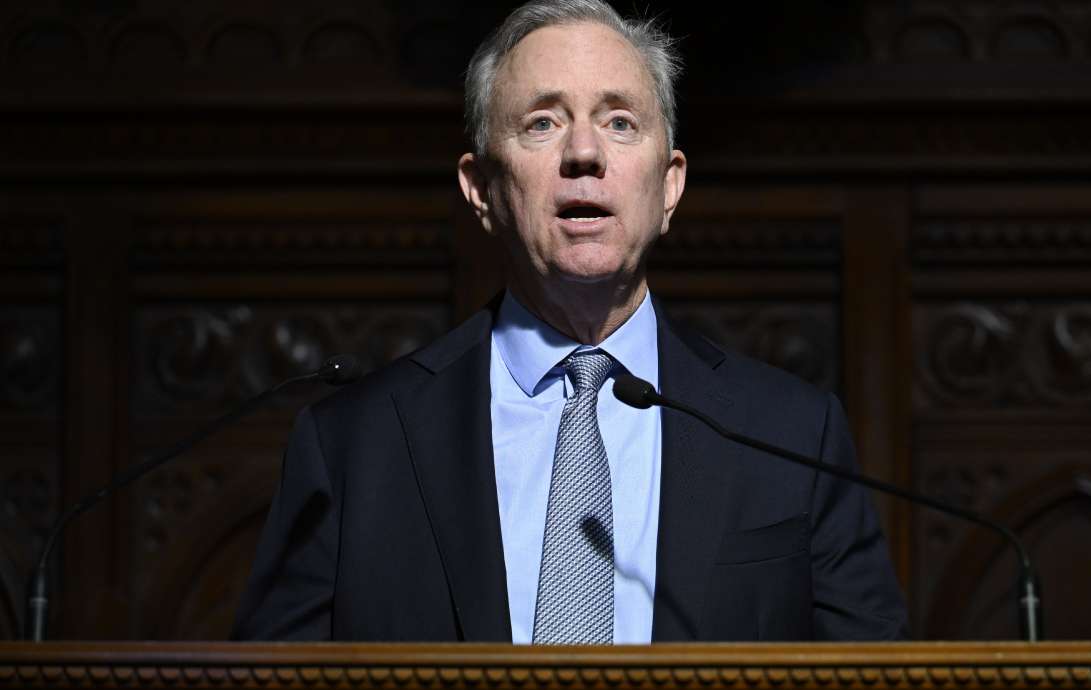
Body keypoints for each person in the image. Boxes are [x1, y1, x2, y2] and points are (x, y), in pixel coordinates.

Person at [232, 0, 907, 643]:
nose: (584, 153)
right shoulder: (353, 444)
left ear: (669, 186)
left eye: (620, 122)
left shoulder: (792, 435)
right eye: (542, 123)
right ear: (482, 190)